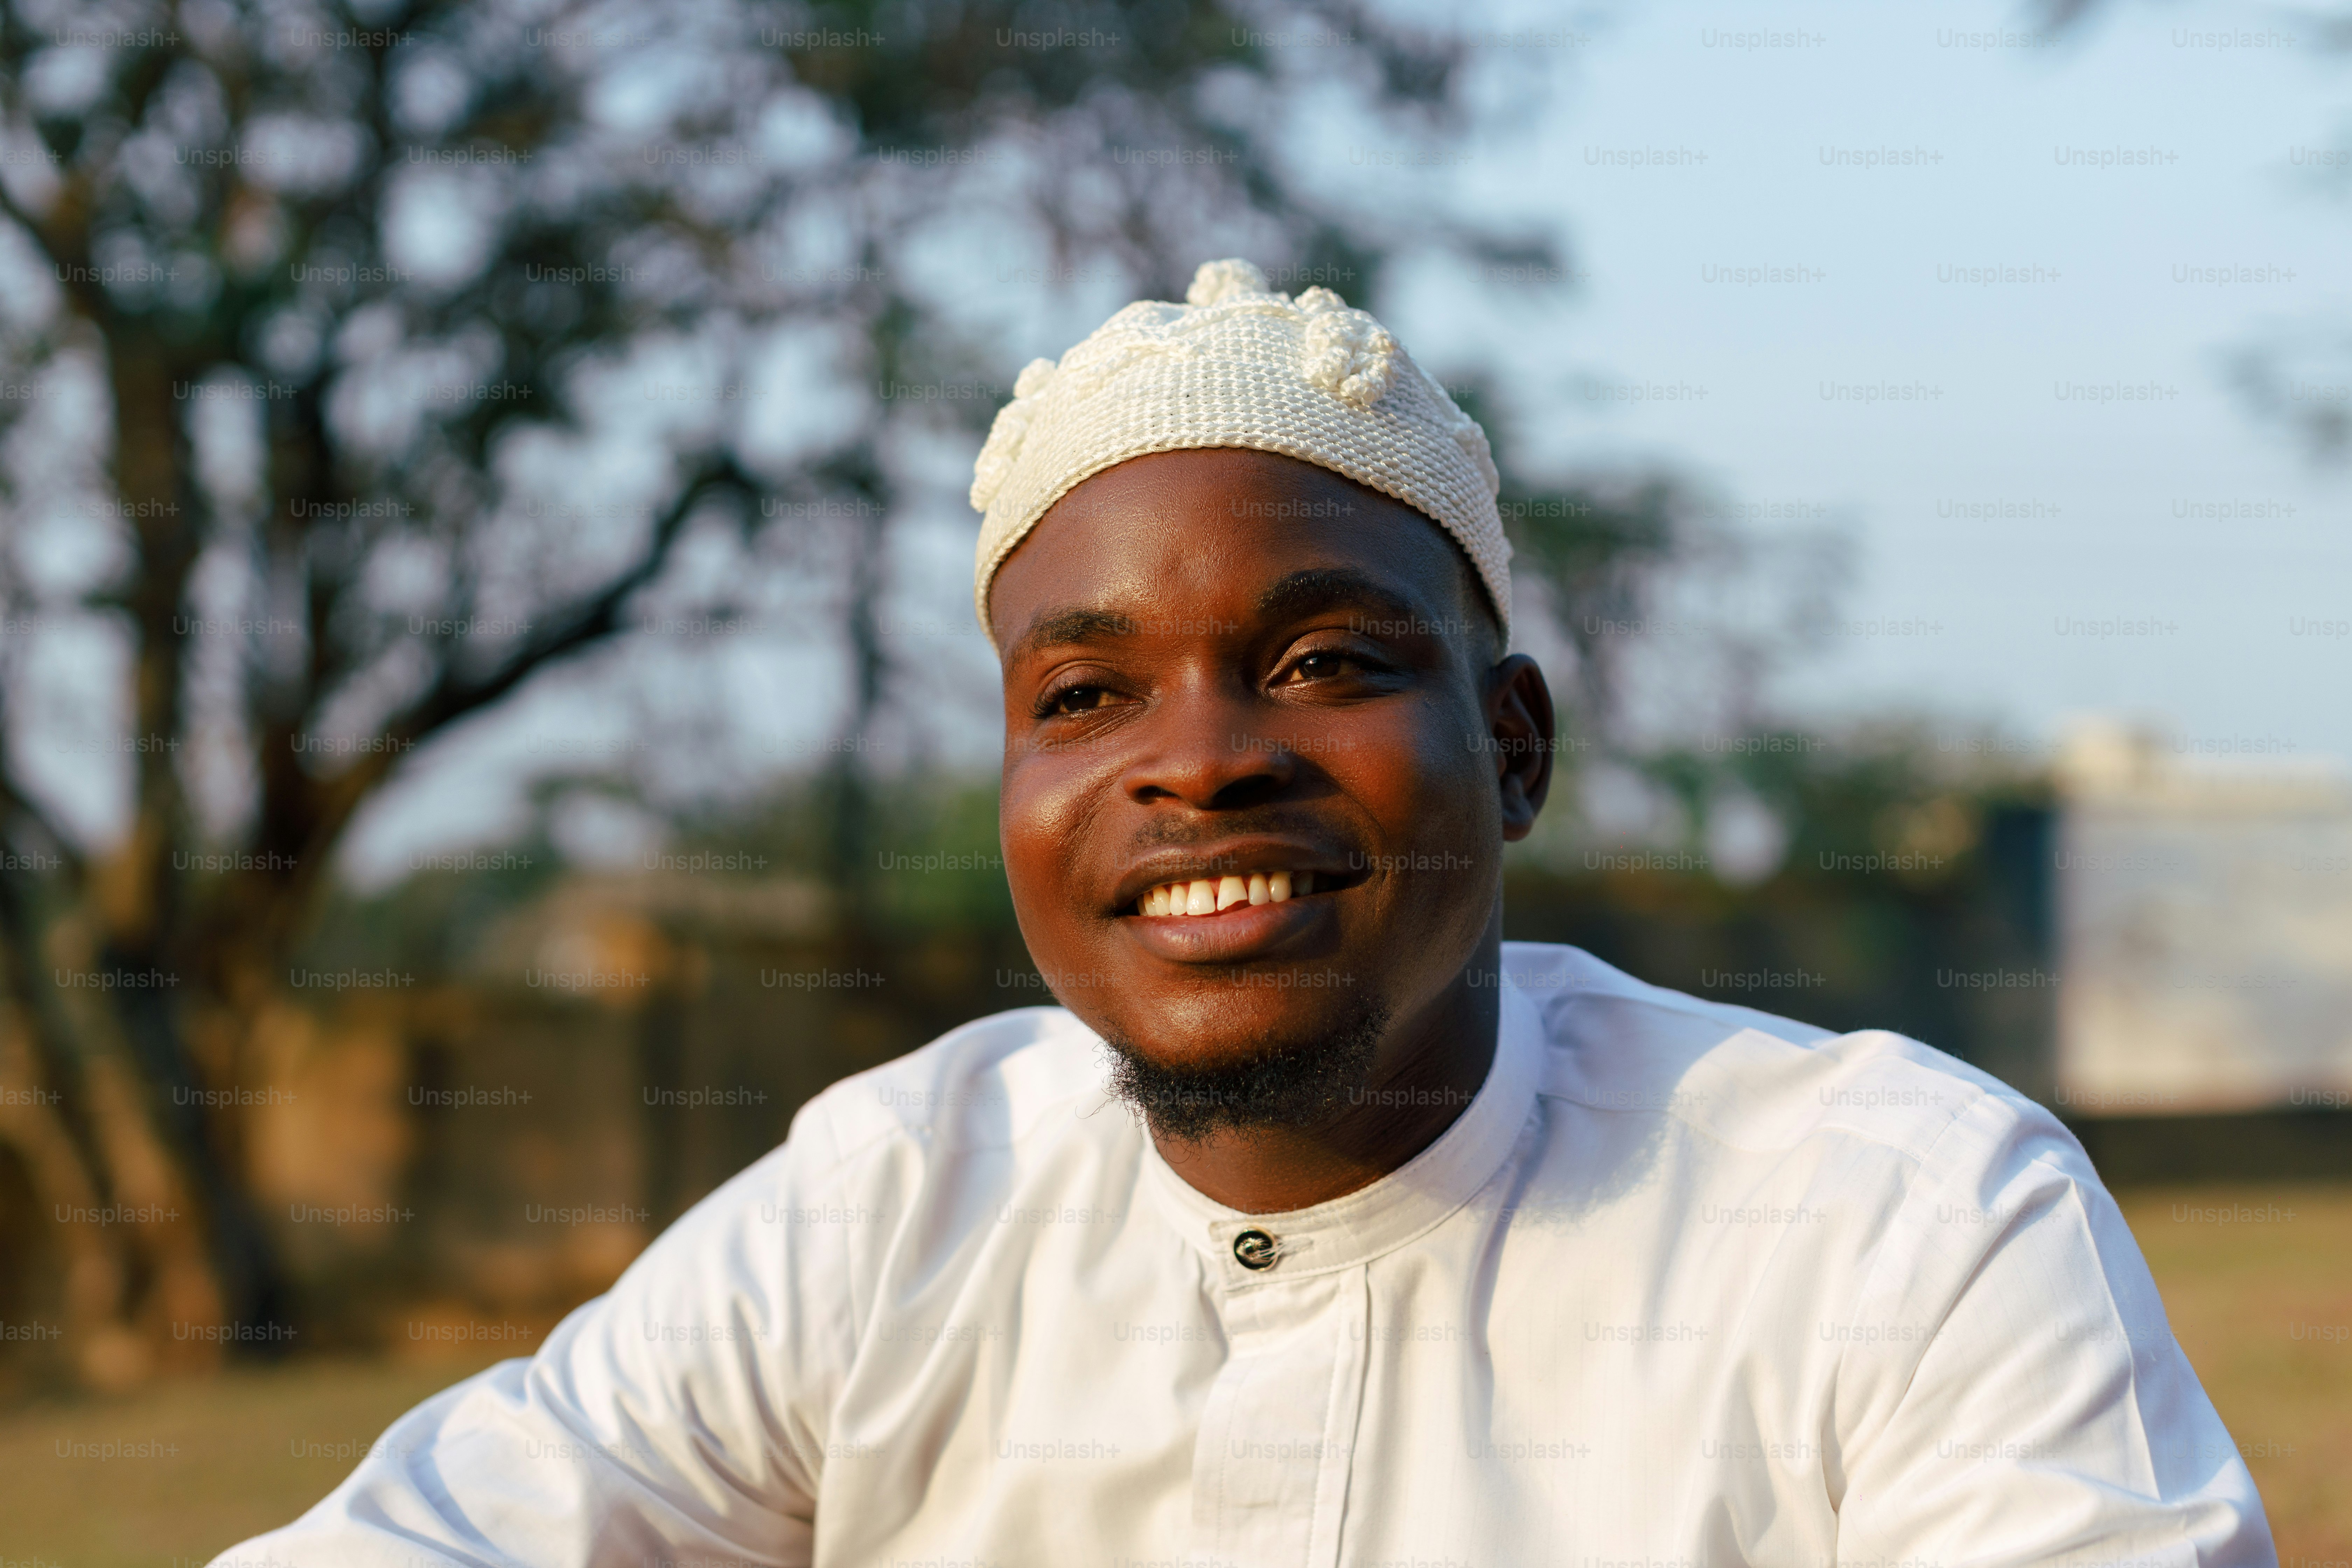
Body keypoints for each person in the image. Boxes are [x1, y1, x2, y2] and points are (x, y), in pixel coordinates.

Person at [214, 259, 2273, 1568]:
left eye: (1321, 663)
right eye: (1084, 697)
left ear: (1513, 749)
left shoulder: (1899, 1219)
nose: (1196, 763)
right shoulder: (897, 1203)